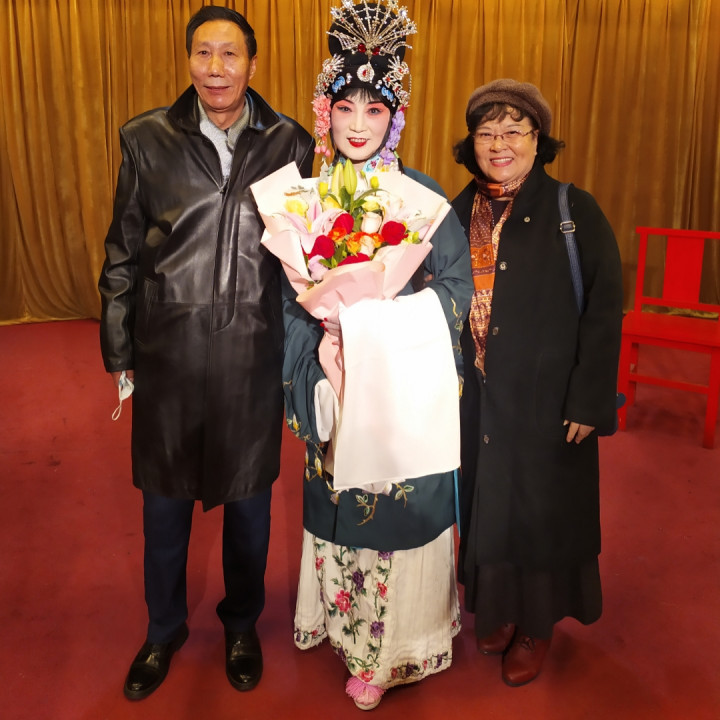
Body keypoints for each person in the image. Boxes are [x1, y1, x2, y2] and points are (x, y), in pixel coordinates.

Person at [98, 6, 314, 701]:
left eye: (229, 54)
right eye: (202, 53)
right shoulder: (146, 138)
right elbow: (124, 249)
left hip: (251, 355)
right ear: (188, 59)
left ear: (252, 62)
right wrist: (119, 347)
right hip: (170, 354)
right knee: (163, 511)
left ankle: (241, 625)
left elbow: (303, 257)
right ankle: (162, 630)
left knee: (249, 510)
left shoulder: (290, 142)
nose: (215, 69)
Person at [281, 1, 473, 711]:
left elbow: (456, 290)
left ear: (394, 118)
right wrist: (323, 357)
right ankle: (343, 628)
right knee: (339, 495)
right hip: (334, 383)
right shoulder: (303, 201)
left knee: (394, 509)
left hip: (401, 388)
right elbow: (288, 301)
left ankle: (393, 650)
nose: (358, 123)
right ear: (324, 112)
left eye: (375, 108)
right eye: (345, 107)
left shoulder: (422, 197)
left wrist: (376, 326)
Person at [451, 79, 623, 687]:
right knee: (489, 506)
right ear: (471, 143)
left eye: (513, 131)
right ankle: (499, 610)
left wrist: (590, 399)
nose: (499, 144)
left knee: (539, 513)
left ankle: (536, 625)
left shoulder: (574, 210)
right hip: (479, 398)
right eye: (486, 133)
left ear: (537, 139)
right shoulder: (457, 211)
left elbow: (604, 309)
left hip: (548, 400)